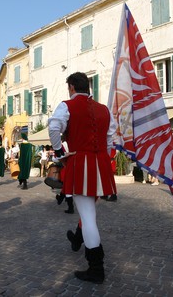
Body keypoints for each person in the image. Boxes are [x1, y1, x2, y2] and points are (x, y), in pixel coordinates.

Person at [48, 72, 116, 284]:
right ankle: (77, 239)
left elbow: (53, 127)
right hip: (101, 164)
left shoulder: (67, 105)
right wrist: (103, 156)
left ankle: (96, 269)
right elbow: (110, 137)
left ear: (71, 87)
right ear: (88, 87)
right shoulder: (104, 109)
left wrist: (59, 151)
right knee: (89, 211)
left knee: (88, 216)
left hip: (81, 163)